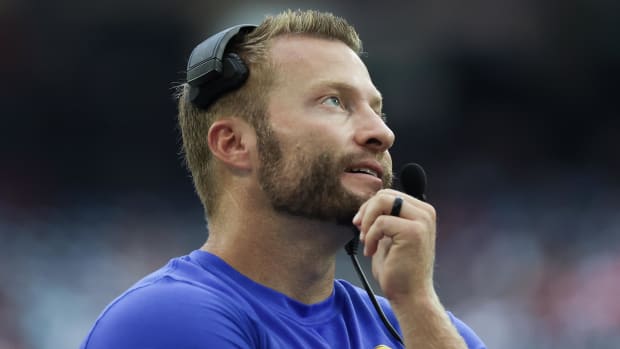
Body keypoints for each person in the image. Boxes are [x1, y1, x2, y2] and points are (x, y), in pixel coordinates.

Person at [81, 9, 486, 349]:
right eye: (334, 101)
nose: (382, 133)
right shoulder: (164, 320)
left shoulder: (426, 327)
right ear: (235, 143)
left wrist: (416, 302)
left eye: (378, 110)